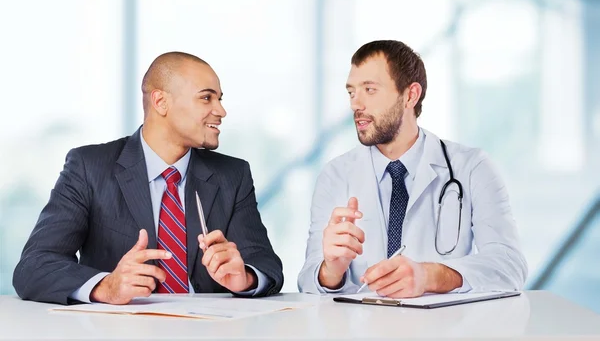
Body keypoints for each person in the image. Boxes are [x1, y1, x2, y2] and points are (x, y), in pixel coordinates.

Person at [14, 52, 283, 304]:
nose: (221, 111)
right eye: (206, 98)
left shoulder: (232, 175)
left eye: (220, 99)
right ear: (160, 102)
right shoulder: (90, 168)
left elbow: (267, 265)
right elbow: (34, 266)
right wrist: (106, 287)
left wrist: (245, 277)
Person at [298, 40, 527, 298]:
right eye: (351, 92)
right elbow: (307, 281)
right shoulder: (336, 175)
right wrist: (330, 271)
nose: (355, 104)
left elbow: (509, 267)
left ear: (410, 95)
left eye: (369, 90)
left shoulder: (472, 167)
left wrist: (430, 276)